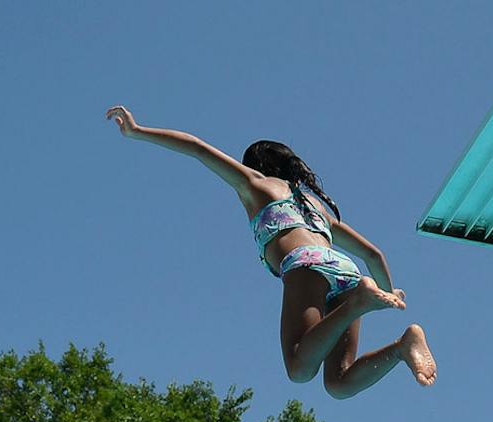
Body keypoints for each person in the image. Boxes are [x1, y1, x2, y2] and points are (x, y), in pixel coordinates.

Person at [104, 107, 436, 399]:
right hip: (346, 269)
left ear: (257, 166)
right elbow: (373, 254)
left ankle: (358, 302)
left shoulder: (257, 184)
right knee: (339, 384)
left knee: (299, 368)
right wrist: (389, 294)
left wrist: (138, 131)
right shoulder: (315, 207)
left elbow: (198, 149)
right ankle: (402, 346)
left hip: (308, 264)